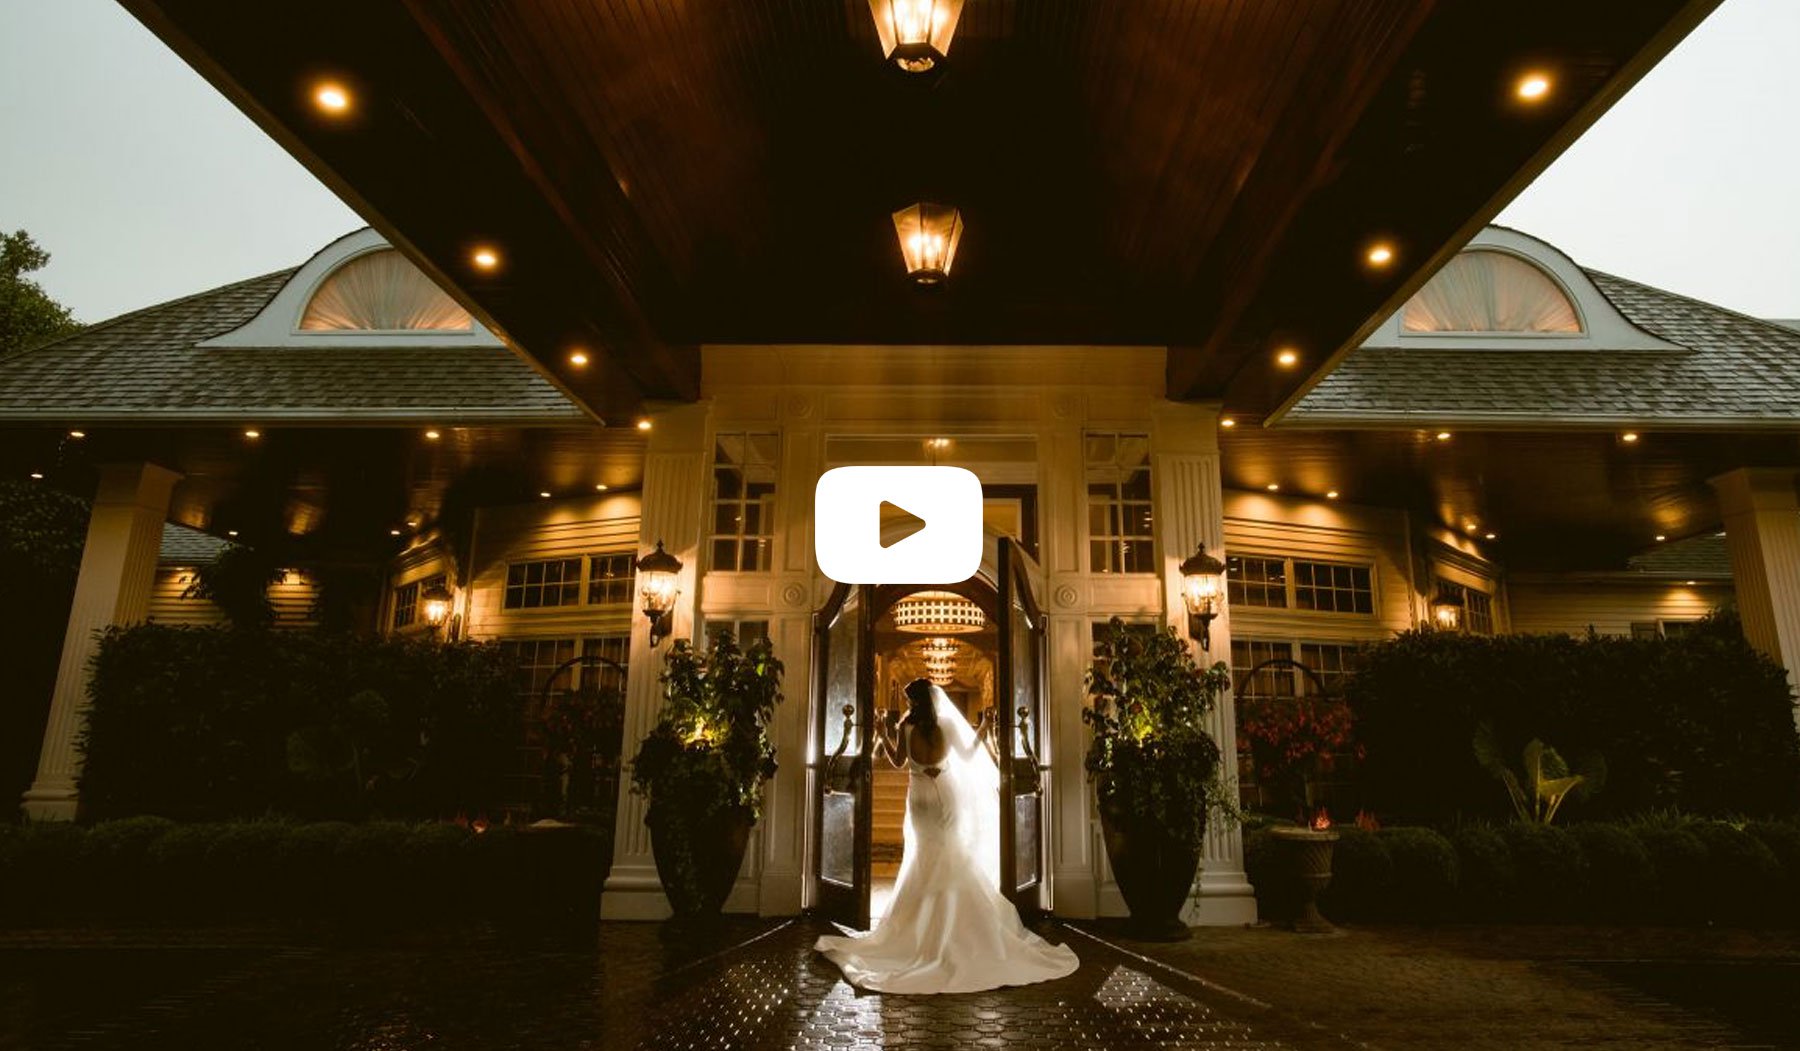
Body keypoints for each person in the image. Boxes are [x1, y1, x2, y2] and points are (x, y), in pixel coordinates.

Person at [814, 678, 1079, 994]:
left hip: (920, 797)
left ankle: (920, 931)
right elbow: (968, 756)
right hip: (946, 796)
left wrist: (883, 734)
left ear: (912, 702)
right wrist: (983, 730)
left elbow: (898, 762)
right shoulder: (945, 726)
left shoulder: (906, 726)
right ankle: (958, 925)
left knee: (925, 856)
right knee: (952, 853)